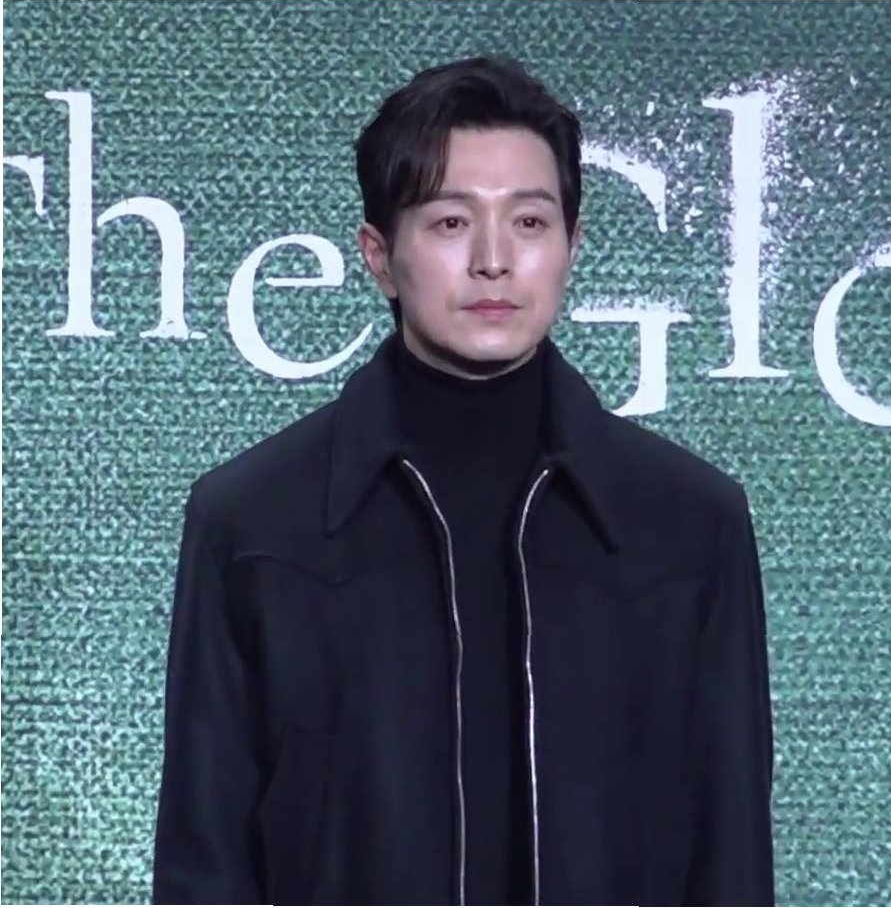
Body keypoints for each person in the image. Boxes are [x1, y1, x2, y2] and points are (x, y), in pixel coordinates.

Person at [151, 56, 775, 906]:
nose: (493, 260)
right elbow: (203, 864)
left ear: (572, 245)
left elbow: (732, 861)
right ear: (379, 255)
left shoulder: (690, 522)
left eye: (529, 221)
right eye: (450, 222)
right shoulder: (252, 519)